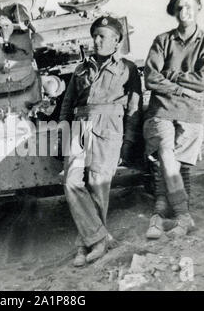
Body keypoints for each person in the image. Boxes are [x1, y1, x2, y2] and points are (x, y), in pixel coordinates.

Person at [59, 16, 142, 267]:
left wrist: (127, 141)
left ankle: (86, 244)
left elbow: (134, 109)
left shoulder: (128, 68)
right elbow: (68, 101)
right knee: (71, 180)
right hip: (80, 126)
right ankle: (100, 238)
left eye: (102, 36)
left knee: (98, 184)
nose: (97, 40)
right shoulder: (81, 69)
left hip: (110, 127)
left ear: (117, 40)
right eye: (95, 35)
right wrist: (63, 126)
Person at [143, 0, 204, 239]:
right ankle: (183, 214)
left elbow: (203, 82)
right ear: (173, 12)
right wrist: (181, 87)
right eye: (179, 7)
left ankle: (160, 211)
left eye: (188, 5)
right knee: (164, 154)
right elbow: (150, 78)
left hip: (191, 113)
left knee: (180, 165)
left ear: (199, 7)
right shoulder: (162, 40)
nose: (183, 10)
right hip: (162, 109)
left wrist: (170, 75)